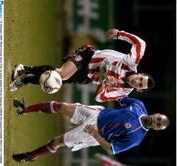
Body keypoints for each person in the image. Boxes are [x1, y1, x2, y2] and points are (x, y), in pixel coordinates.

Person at [10, 28, 155, 102]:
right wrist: (119, 34)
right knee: (61, 74)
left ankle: (25, 77)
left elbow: (100, 98)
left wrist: (104, 83)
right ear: (140, 74)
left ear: (139, 90)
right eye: (141, 79)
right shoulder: (131, 63)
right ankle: (24, 71)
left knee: (56, 81)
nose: (137, 81)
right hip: (88, 57)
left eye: (140, 85)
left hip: (87, 76)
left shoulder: (123, 92)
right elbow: (141, 44)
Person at [12, 96, 169, 163]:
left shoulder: (137, 137)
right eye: (158, 118)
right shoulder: (139, 106)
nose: (156, 121)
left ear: (156, 129)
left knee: (55, 142)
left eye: (158, 124)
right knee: (61, 106)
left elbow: (112, 150)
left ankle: (30, 156)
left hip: (94, 133)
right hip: (97, 113)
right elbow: (120, 97)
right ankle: (24, 109)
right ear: (156, 114)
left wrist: (96, 136)